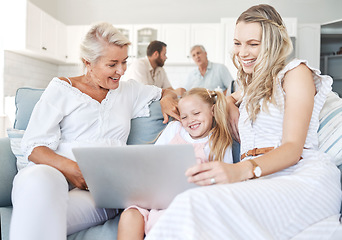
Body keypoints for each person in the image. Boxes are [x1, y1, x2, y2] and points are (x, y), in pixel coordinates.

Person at [145, 4, 342, 240]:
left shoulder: (295, 72)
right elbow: (226, 97)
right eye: (238, 43)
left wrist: (239, 170)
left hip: (299, 174)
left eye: (253, 44)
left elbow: (292, 148)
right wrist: (227, 103)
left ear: (273, 43)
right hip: (258, 181)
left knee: (193, 204)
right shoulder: (251, 85)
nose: (242, 52)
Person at [9, 22, 180, 240]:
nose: (121, 70)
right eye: (112, 64)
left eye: (124, 62)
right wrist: (73, 170)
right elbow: (33, 146)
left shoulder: (129, 91)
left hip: (98, 191)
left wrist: (167, 99)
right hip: (54, 173)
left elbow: (168, 91)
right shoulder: (61, 88)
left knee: (40, 215)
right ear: (87, 63)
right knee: (36, 180)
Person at [117, 88, 233, 240]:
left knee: (170, 220)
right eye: (184, 117)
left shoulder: (219, 140)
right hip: (156, 196)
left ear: (212, 110)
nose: (191, 120)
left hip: (186, 203)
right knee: (130, 215)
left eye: (196, 113)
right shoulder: (174, 129)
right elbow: (153, 160)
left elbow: (226, 180)